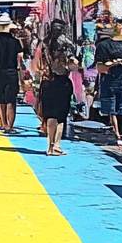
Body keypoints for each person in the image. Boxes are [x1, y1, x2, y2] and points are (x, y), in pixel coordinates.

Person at [39, 19, 78, 155]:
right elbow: (72, 62)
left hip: (48, 82)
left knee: (50, 115)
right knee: (61, 115)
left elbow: (38, 63)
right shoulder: (67, 43)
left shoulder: (45, 43)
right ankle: (57, 145)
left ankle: (50, 146)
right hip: (62, 82)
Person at [95, 29, 122, 146]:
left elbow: (100, 68)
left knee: (112, 111)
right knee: (116, 109)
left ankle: (117, 135)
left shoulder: (102, 47)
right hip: (121, 81)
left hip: (109, 81)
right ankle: (115, 132)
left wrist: (111, 64)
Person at [0, 14, 25, 133]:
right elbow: (20, 55)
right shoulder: (15, 41)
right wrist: (18, 66)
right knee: (11, 99)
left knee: (1, 99)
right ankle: (10, 125)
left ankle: (4, 123)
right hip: (12, 71)